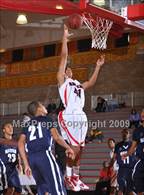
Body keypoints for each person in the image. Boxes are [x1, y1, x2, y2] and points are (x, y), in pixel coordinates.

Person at [57, 24, 105, 191]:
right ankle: (68, 176)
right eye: (66, 69)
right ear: (63, 73)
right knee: (74, 148)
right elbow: (63, 57)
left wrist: (98, 66)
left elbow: (90, 83)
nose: (68, 69)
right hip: (69, 114)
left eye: (70, 69)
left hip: (80, 115)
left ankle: (75, 178)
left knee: (81, 148)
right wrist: (64, 38)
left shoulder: (77, 84)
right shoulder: (62, 82)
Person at [18, 101, 75, 195]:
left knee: (44, 190)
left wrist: (26, 164)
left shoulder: (27, 124)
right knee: (57, 187)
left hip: (32, 159)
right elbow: (57, 137)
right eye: (43, 106)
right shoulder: (47, 119)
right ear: (39, 109)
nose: (45, 107)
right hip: (44, 155)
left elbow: (20, 143)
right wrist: (68, 147)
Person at [122, 110, 144, 195]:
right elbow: (133, 147)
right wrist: (127, 154)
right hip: (141, 161)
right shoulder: (137, 131)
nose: (142, 114)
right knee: (136, 178)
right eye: (142, 113)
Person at [112, 129, 137, 195]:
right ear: (121, 134)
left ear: (129, 134)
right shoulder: (118, 145)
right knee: (121, 189)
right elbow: (114, 157)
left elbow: (138, 156)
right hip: (121, 169)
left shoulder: (133, 144)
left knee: (130, 191)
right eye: (123, 133)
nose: (124, 134)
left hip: (130, 169)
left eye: (126, 133)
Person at [0, 123, 22, 195]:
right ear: (3, 130)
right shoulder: (1, 141)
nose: (11, 128)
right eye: (8, 127)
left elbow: (18, 154)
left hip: (13, 169)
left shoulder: (15, 142)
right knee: (10, 189)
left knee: (18, 191)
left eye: (12, 127)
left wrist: (19, 164)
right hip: (5, 168)